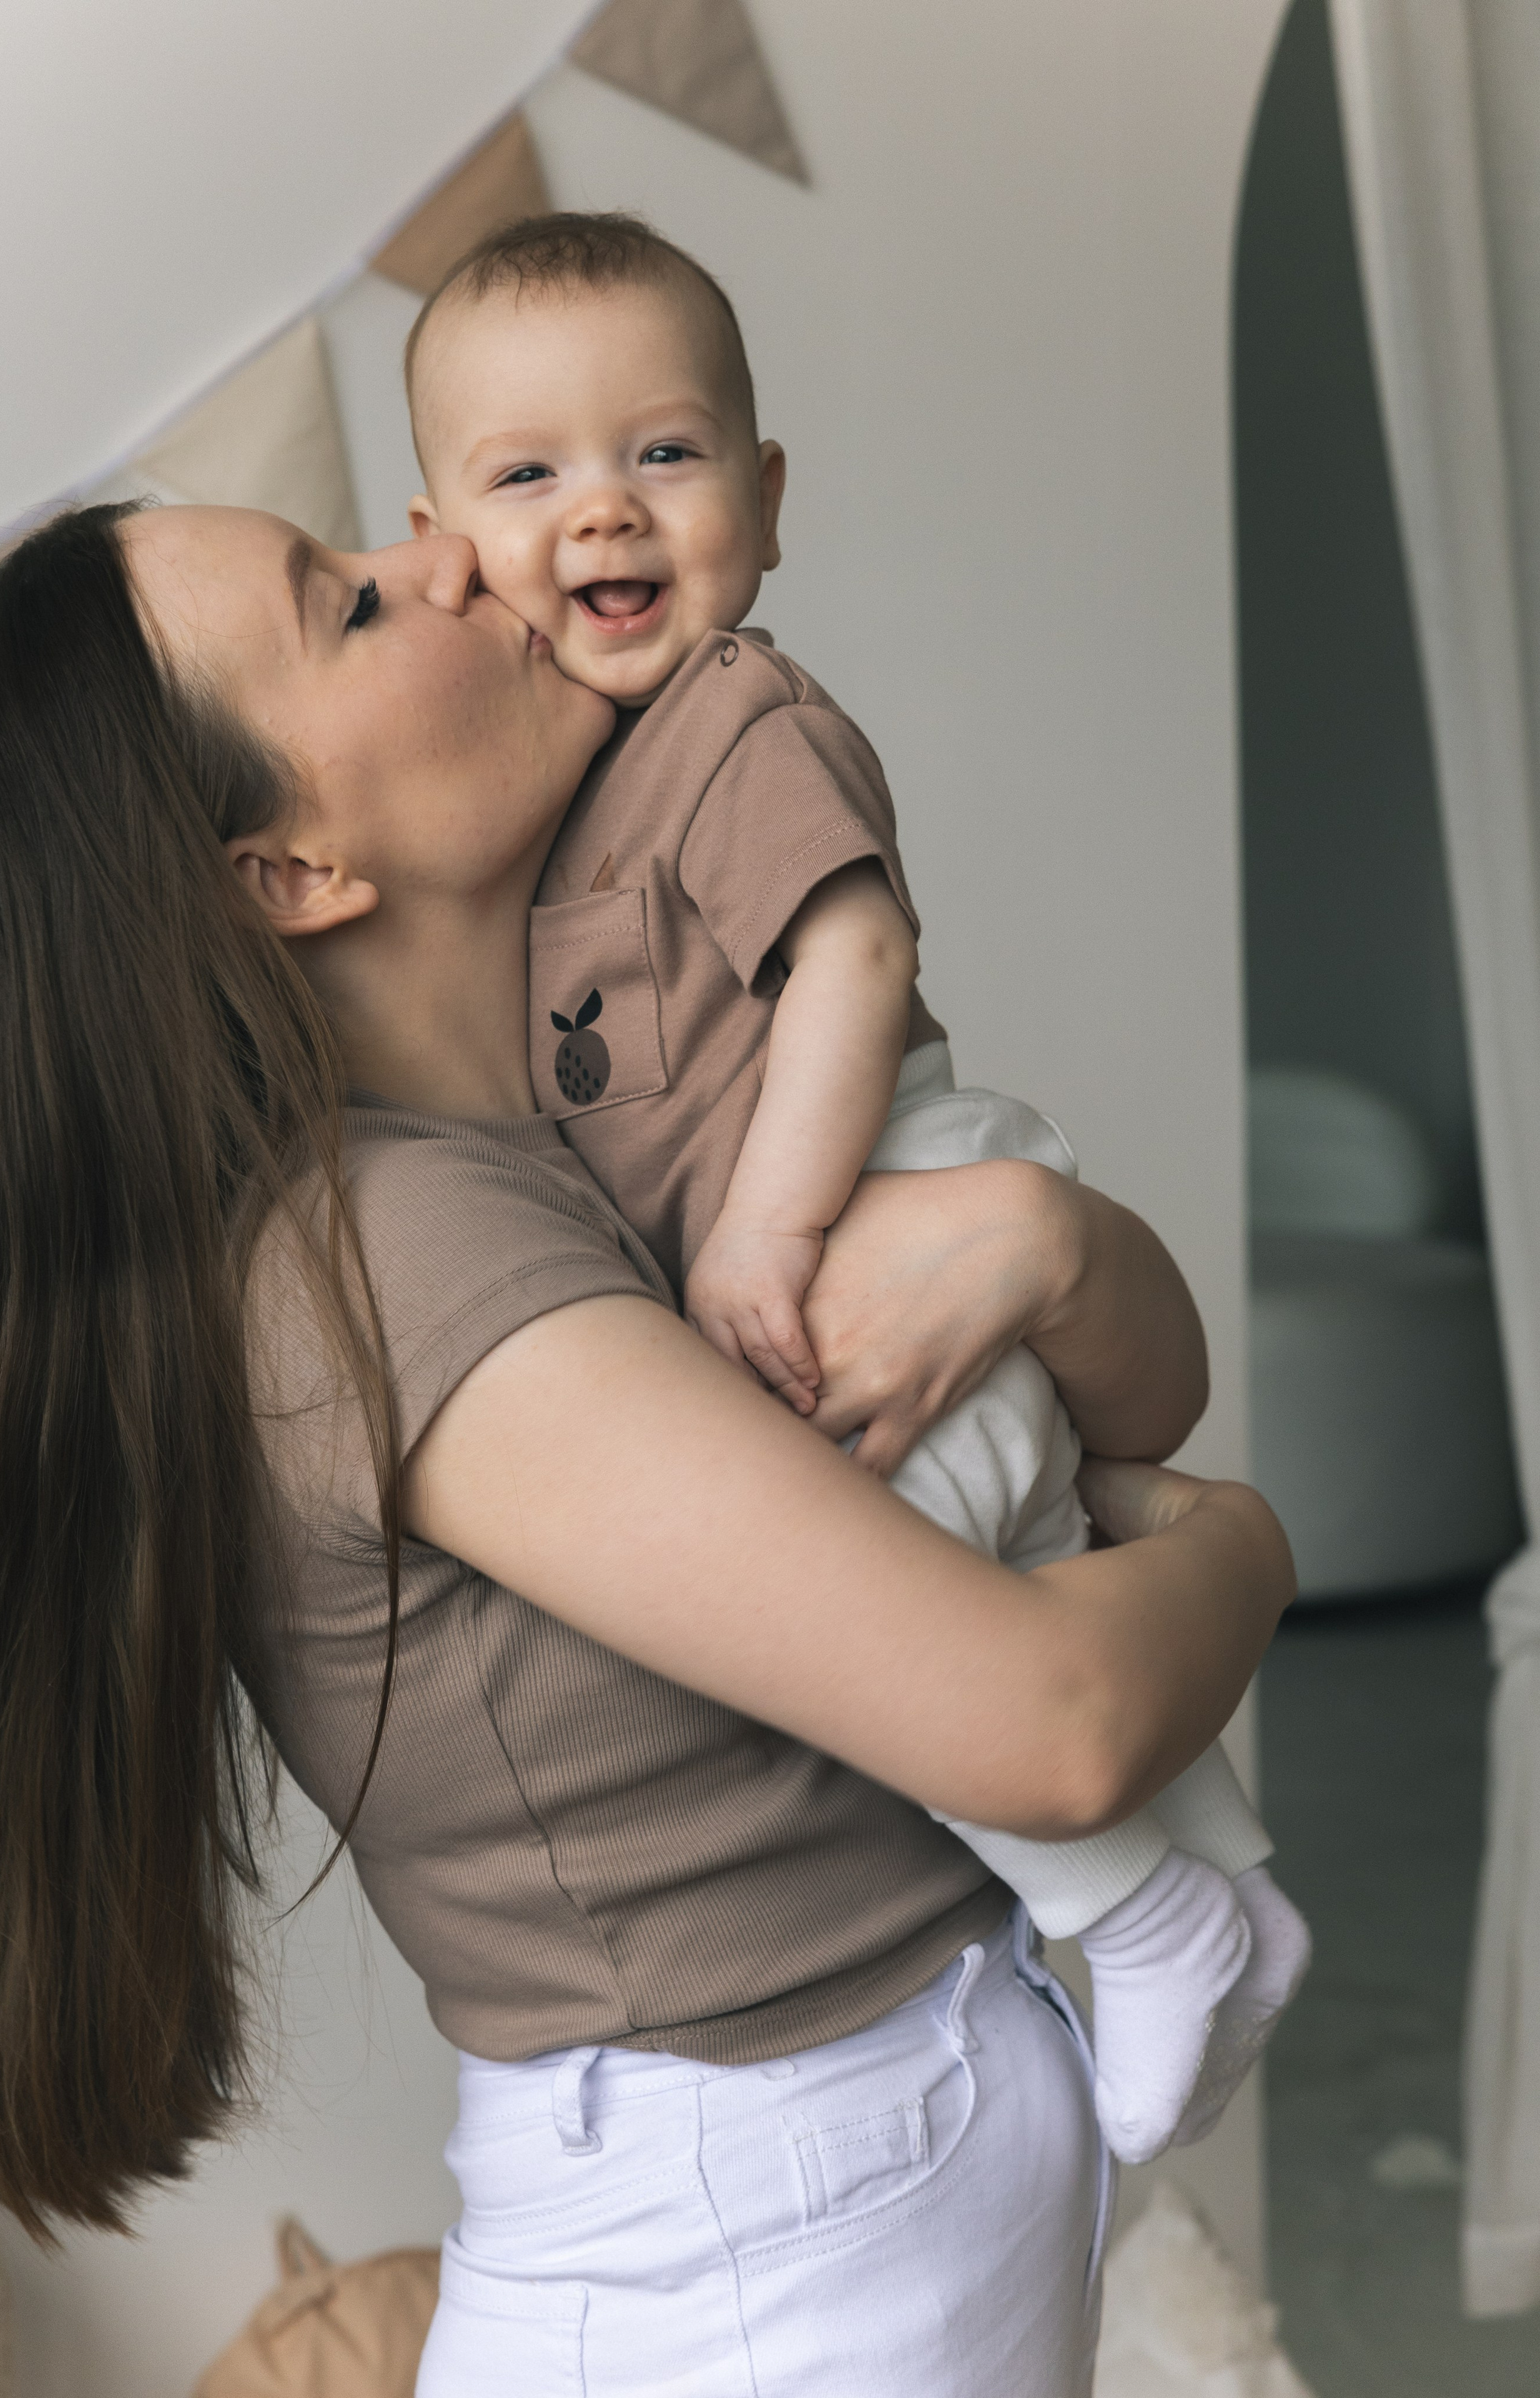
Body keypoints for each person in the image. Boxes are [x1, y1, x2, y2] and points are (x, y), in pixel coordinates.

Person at [0, 501, 1291, 2397]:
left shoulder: (607, 1132)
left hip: (834, 2218)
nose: (442, 554)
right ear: (294, 869)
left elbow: (1122, 1411)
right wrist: (1249, 1549)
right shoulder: (387, 1265)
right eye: (350, 604)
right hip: (748, 2273)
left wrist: (1035, 1243)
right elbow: (1058, 1729)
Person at [403, 210, 1310, 2165]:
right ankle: (1232, 1888)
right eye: (528, 475)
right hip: (846, 1229)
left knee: (876, 1606)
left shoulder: (737, 716)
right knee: (1009, 1575)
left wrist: (767, 1228)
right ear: (444, 544)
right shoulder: (567, 786)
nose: (605, 511)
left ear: (766, 498)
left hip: (881, 1192)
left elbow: (858, 956)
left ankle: (1142, 1921)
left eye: (664, 452)